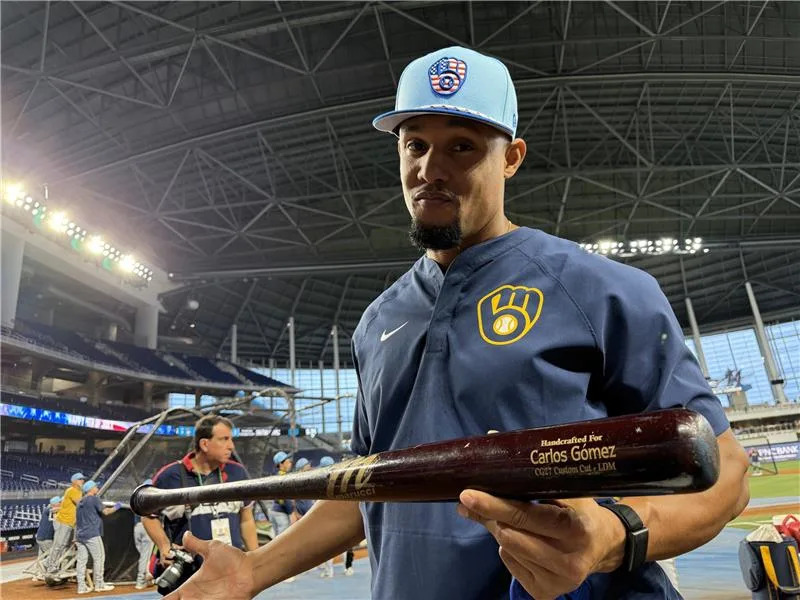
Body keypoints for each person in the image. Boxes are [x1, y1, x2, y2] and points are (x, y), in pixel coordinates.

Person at [163, 46, 750, 600]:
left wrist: (612, 539)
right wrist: (253, 569)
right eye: (414, 144)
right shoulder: (379, 321)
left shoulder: (602, 290)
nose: (429, 169)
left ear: (512, 157)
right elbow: (367, 486)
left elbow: (725, 471)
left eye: (462, 146)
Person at [142, 415, 258, 588]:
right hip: (188, 577)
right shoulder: (170, 476)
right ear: (204, 444)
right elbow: (147, 515)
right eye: (224, 439)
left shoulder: (238, 473)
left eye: (231, 439)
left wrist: (255, 561)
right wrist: (164, 545)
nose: (231, 446)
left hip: (229, 573)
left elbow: (246, 519)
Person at [74, 480, 122, 594]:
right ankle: (99, 584)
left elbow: (77, 521)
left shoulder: (80, 501)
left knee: (81, 561)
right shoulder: (94, 499)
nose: (97, 487)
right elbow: (106, 512)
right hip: (92, 534)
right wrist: (118, 506)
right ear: (91, 489)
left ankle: (81, 587)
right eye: (95, 486)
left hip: (80, 535)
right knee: (99, 558)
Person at [44, 472, 85, 582]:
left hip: (69, 523)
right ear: (74, 481)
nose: (82, 481)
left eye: (83, 479)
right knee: (58, 545)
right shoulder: (72, 491)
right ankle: (50, 566)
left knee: (62, 545)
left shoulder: (78, 491)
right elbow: (81, 504)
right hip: (63, 521)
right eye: (80, 479)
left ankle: (48, 563)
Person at [266, 451, 295, 539]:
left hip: (274, 511)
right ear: (281, 464)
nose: (290, 462)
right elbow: (283, 499)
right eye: (287, 461)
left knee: (277, 539)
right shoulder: (283, 477)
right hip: (281, 513)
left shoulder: (277, 476)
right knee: (283, 540)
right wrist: (291, 512)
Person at [134, 479, 154, 589]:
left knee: (143, 556)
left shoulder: (138, 496)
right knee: (145, 557)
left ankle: (147, 577)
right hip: (147, 526)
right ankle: (140, 581)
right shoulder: (151, 496)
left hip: (137, 527)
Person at [33, 496, 61, 578]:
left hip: (40, 537)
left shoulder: (47, 509)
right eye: (60, 503)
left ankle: (37, 574)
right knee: (53, 555)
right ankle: (48, 573)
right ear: (55, 504)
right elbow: (57, 510)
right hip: (46, 538)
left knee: (41, 557)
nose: (61, 504)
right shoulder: (49, 510)